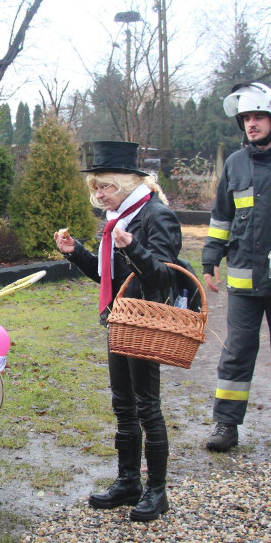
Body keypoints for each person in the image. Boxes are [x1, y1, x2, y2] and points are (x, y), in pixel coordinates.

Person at [55, 141, 183, 522]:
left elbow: (164, 276)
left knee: (147, 406)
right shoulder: (119, 219)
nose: (98, 194)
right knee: (123, 405)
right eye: (95, 187)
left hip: (145, 322)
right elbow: (107, 277)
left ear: (127, 184)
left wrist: (133, 248)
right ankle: (128, 482)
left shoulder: (154, 215)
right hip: (118, 319)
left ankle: (157, 492)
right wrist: (75, 252)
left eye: (105, 186)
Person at [202, 82, 271, 453]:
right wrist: (209, 260)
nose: (251, 124)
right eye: (246, 118)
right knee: (236, 351)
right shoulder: (235, 164)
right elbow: (222, 218)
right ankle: (226, 424)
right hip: (243, 278)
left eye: (257, 117)